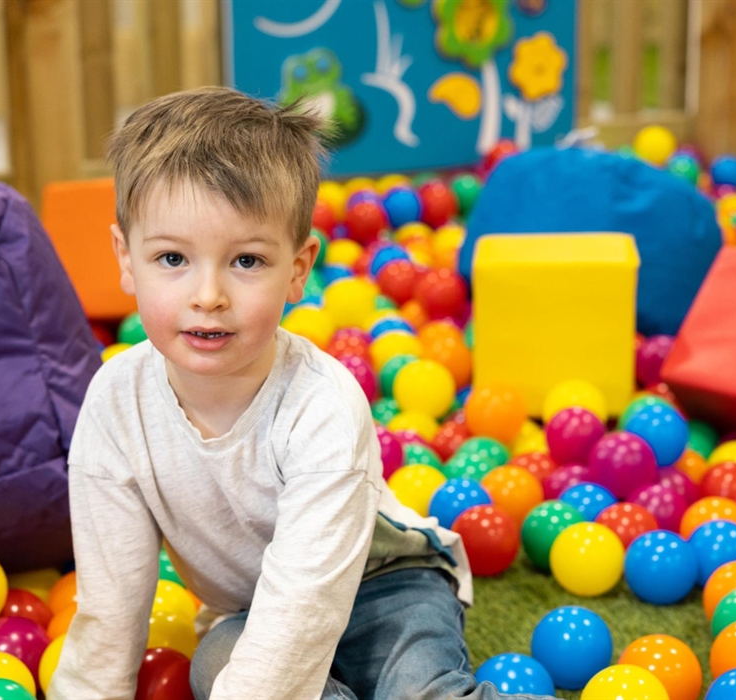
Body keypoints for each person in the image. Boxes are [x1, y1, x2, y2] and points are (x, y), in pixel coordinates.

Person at [47, 87, 554, 700]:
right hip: (256, 609)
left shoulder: (321, 404)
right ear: (126, 259)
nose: (208, 295)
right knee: (219, 668)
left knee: (416, 690)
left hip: (387, 584)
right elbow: (110, 601)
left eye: (247, 262)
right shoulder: (115, 405)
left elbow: (305, 602)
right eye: (173, 257)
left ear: (298, 268)